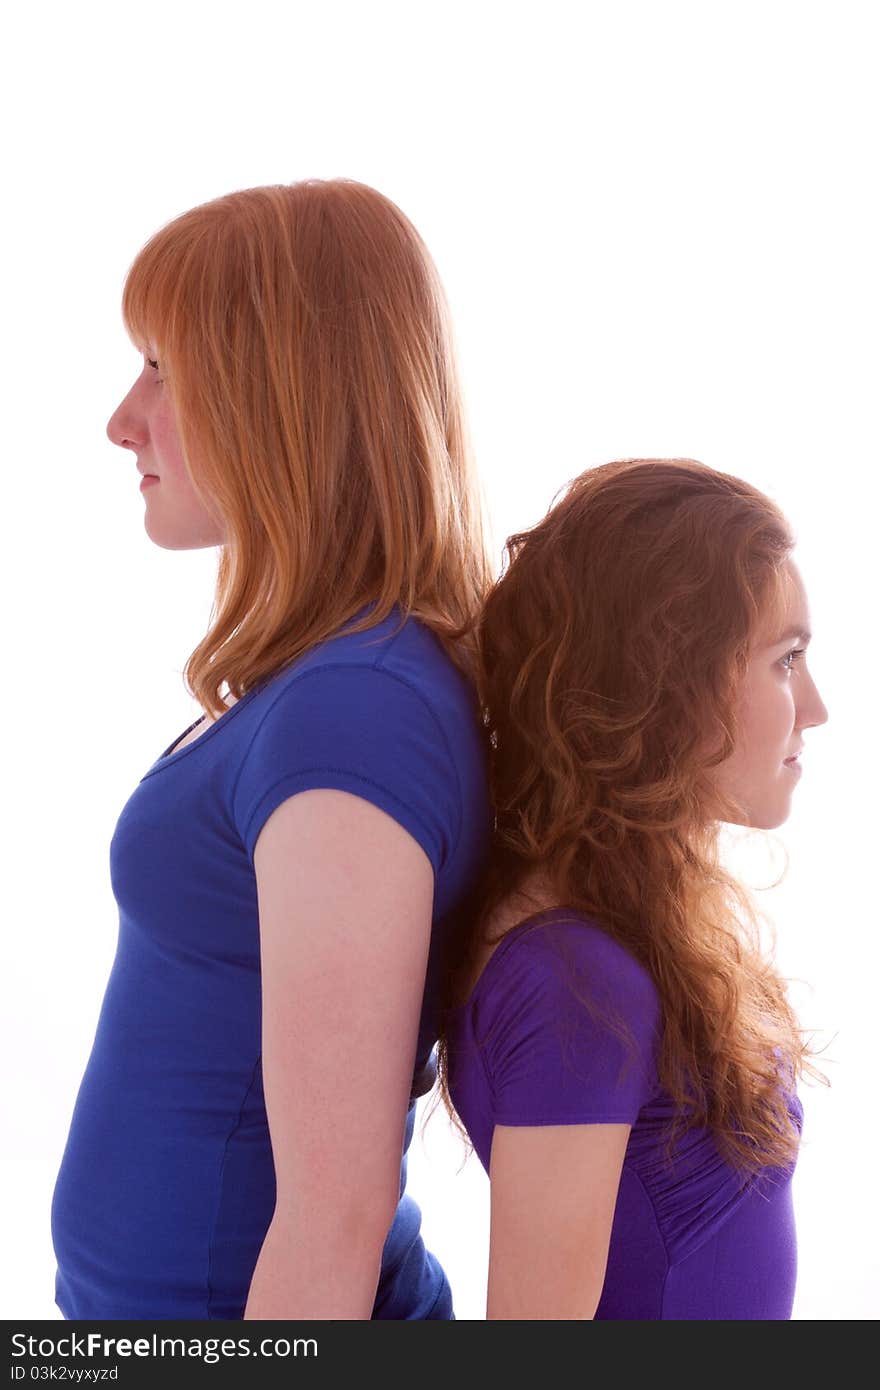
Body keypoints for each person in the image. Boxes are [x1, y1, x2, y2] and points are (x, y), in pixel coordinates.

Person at [50, 179, 495, 1320]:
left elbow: (333, 1217)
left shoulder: (354, 710)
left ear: (278, 395)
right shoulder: (328, 685)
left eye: (161, 366)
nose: (121, 418)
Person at [436, 457, 830, 1320]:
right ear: (666, 683)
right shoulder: (573, 978)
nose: (816, 707)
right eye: (785, 661)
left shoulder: (629, 925)